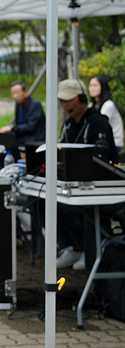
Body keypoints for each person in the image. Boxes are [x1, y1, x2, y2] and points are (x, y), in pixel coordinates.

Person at [54, 78, 118, 271]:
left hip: (99, 189)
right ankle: (73, 246)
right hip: (74, 185)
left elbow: (100, 159)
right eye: (61, 101)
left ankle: (86, 249)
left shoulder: (98, 123)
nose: (64, 105)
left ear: (81, 98)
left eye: (68, 100)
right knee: (43, 202)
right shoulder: (68, 125)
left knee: (62, 207)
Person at [89, 75, 123, 152]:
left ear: (103, 87)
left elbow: (99, 124)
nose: (92, 88)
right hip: (101, 142)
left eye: (95, 85)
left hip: (113, 144)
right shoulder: (92, 105)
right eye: (90, 85)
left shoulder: (108, 105)